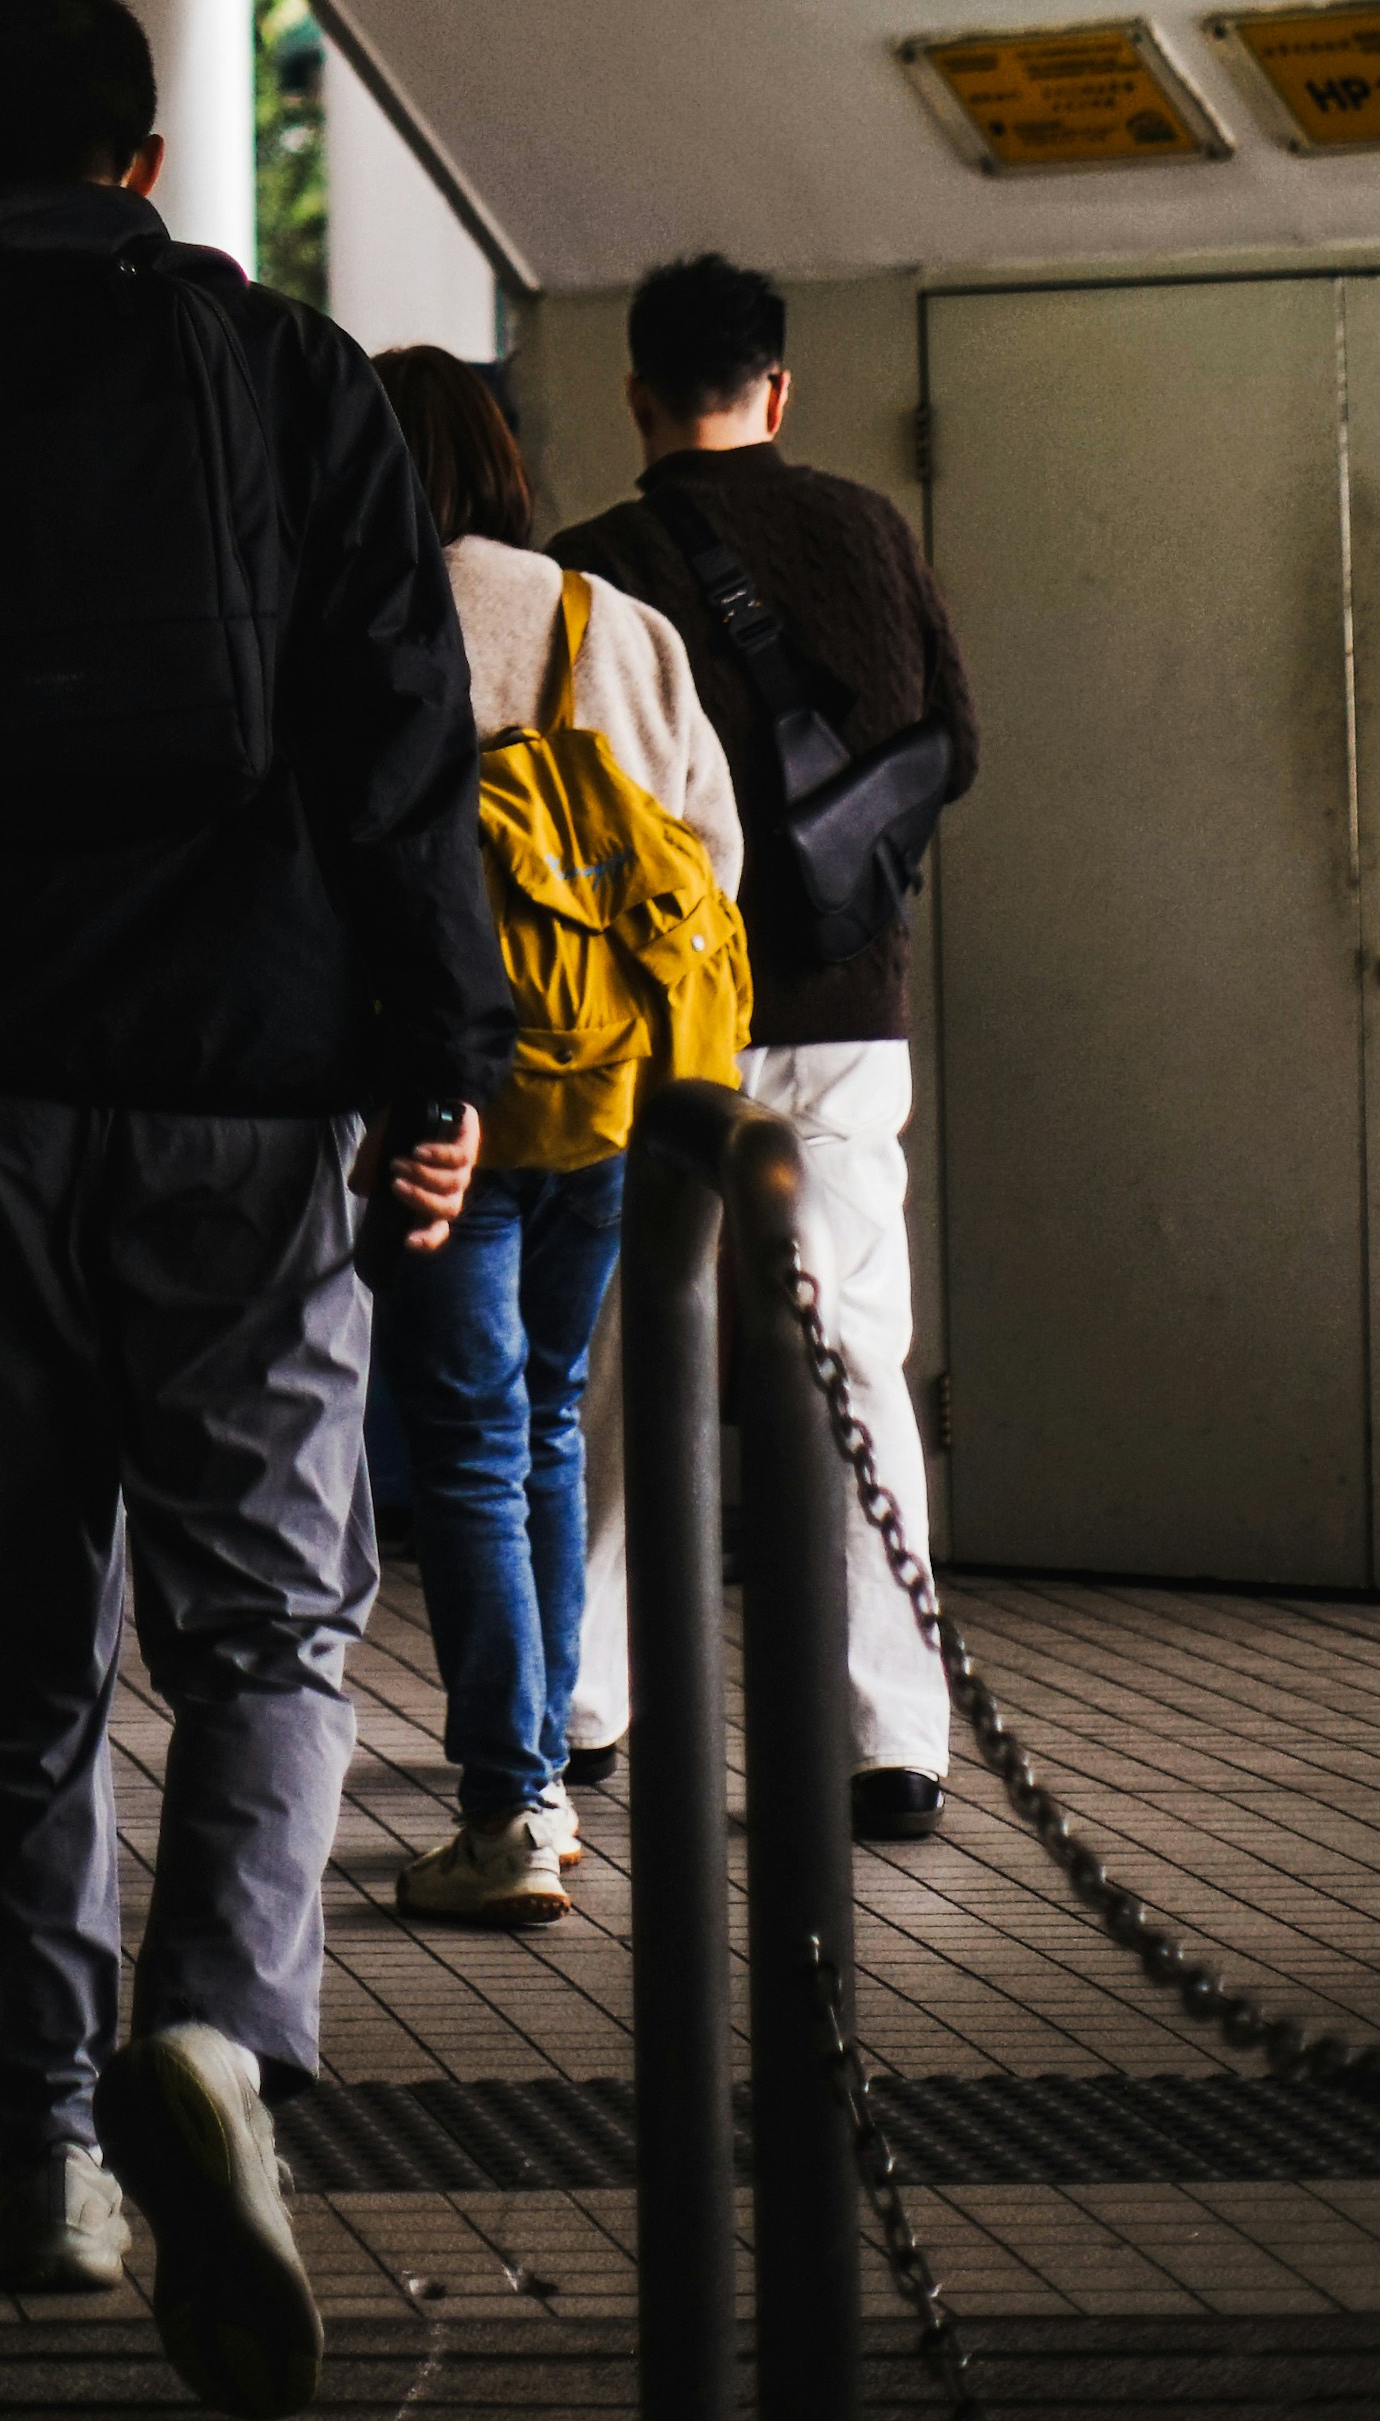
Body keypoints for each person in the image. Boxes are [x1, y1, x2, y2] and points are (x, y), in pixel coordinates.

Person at [0, 0, 502, 2408]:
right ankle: (226, 2038)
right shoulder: (288, 371)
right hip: (259, 1074)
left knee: (26, 1648)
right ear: (151, 159)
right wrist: (437, 1050)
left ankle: (49, 2156)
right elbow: (398, 740)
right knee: (265, 1622)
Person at [552, 252, 979, 1843]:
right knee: (858, 1361)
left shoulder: (588, 571)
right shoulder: (870, 527)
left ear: (637, 392)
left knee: (621, 1368)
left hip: (666, 1034)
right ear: (779, 389)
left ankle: (585, 1707)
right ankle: (892, 1736)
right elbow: (960, 745)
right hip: (848, 1016)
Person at [366, 347, 744, 1928]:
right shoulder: (614, 625)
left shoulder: (368, 623)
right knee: (544, 1418)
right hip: (611, 1094)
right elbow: (707, 853)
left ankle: (510, 1802)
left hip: (442, 1100)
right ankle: (543, 1778)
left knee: (461, 1437)